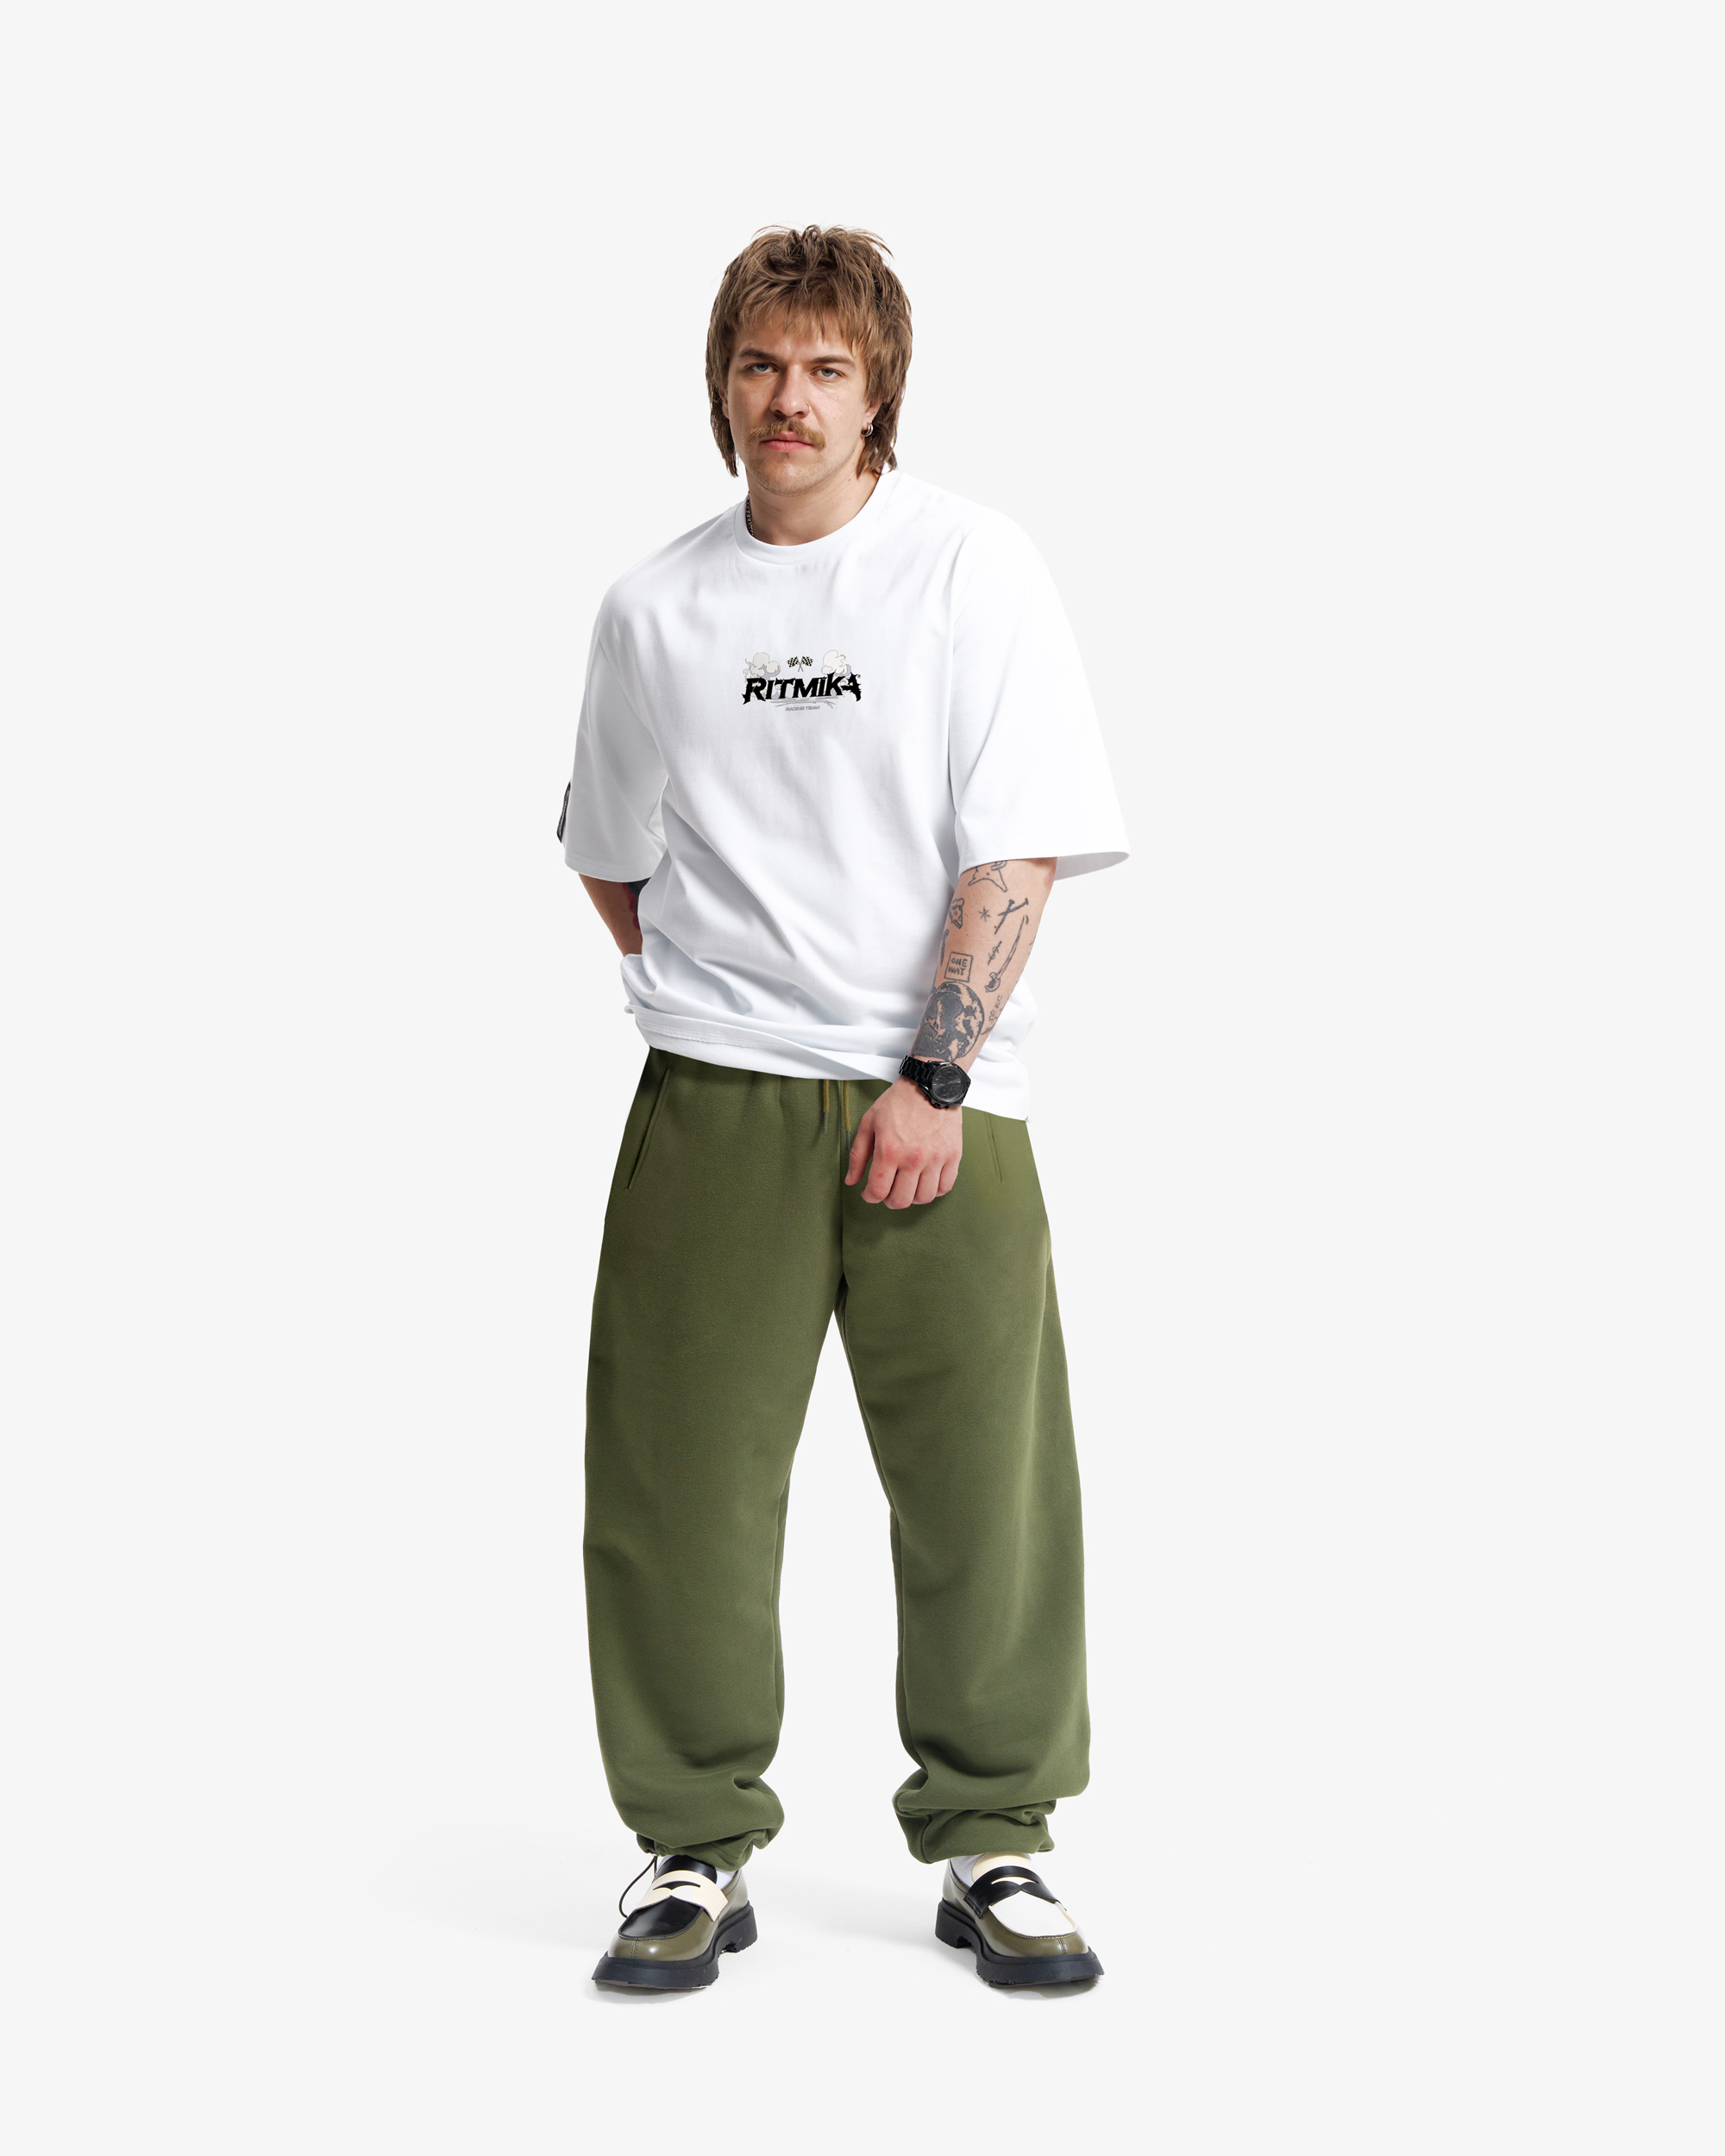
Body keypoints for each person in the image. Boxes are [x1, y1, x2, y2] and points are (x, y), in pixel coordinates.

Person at [557, 226, 1128, 1990]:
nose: (787, 398)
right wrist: (731, 1004)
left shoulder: (968, 565)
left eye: (824, 368)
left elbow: (1017, 843)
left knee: (983, 1489)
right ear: (721, 384)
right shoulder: (656, 608)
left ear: (878, 389)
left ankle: (995, 1837)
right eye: (759, 364)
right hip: (716, 1099)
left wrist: (931, 1074)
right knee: (677, 1487)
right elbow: (608, 854)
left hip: (941, 1101)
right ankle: (689, 1842)